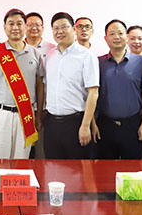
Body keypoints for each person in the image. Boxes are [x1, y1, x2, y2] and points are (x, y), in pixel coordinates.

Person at [0, 9, 44, 159]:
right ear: (4, 27)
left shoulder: (35, 54)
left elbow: (40, 86)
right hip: (0, 113)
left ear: (25, 26)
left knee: (22, 160)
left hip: (26, 114)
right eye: (11, 24)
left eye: (19, 23)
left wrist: (38, 115)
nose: (15, 27)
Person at [42, 12, 99, 159]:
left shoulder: (86, 55)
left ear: (74, 29)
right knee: (52, 166)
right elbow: (45, 87)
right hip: (51, 123)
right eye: (56, 28)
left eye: (64, 27)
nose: (59, 31)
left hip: (75, 123)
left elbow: (93, 93)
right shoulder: (49, 56)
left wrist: (85, 125)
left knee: (76, 169)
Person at [96, 20, 142, 159]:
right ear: (106, 38)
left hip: (132, 125)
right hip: (105, 125)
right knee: (106, 168)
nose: (116, 37)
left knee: (132, 168)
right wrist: (92, 124)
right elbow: (91, 94)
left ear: (127, 37)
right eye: (112, 34)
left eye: (120, 33)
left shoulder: (140, 62)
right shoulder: (98, 62)